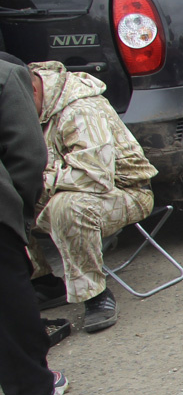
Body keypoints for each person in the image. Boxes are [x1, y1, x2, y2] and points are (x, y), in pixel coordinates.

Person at [27, 61, 157, 334]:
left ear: (32, 90)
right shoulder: (25, 104)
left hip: (124, 192)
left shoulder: (81, 108)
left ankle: (95, 295)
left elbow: (94, 178)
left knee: (67, 206)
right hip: (59, 189)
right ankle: (43, 282)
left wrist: (34, 179)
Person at [0, 53, 68, 395]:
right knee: (9, 300)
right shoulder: (7, 76)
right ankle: (31, 389)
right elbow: (27, 155)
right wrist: (19, 213)